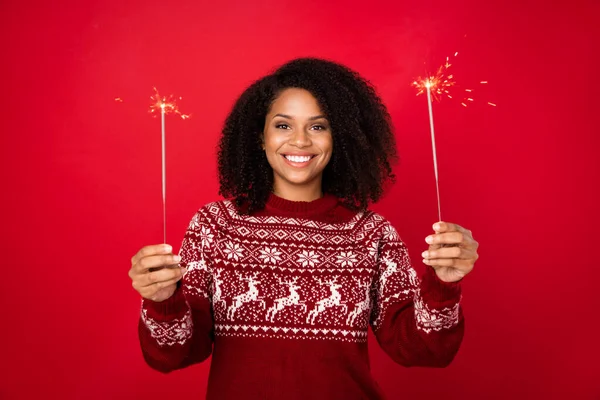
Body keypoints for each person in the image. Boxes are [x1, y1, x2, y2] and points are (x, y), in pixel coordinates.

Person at [128, 57, 479, 400]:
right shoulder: (215, 226)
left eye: (318, 126)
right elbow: (173, 355)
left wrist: (443, 286)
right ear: (260, 137)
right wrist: (162, 302)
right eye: (283, 125)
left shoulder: (371, 233)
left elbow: (423, 350)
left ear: (337, 138)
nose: (300, 141)